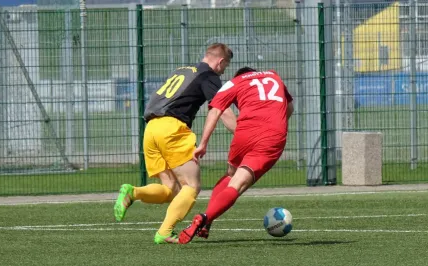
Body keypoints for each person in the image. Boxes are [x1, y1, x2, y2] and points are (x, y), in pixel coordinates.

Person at [113, 43, 237, 244]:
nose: (223, 72)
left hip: (151, 128)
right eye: (225, 67)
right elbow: (221, 109)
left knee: (171, 189)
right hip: (172, 129)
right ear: (220, 61)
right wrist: (241, 134)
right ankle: (164, 232)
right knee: (192, 186)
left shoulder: (182, 70)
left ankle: (133, 192)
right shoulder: (208, 75)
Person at [178, 67, 294, 244]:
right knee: (238, 185)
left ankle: (207, 219)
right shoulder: (273, 76)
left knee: (231, 175)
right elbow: (289, 107)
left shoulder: (235, 82)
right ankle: (205, 217)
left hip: (245, 132)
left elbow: (215, 111)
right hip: (272, 134)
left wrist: (203, 144)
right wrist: (275, 122)